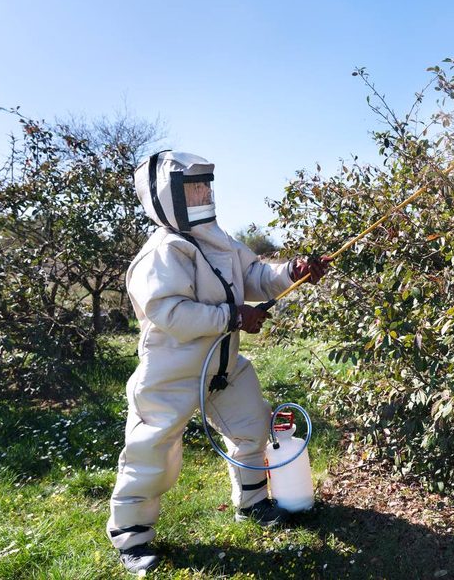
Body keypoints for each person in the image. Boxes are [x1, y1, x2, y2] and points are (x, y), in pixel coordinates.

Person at [106, 151, 329, 573]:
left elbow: (255, 276)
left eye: (204, 185)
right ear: (167, 196)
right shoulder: (162, 252)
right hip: (171, 372)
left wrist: (293, 271)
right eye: (193, 188)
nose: (203, 193)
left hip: (224, 365)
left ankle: (253, 503)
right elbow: (168, 313)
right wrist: (233, 316)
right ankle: (131, 537)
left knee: (252, 426)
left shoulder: (218, 238)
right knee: (150, 452)